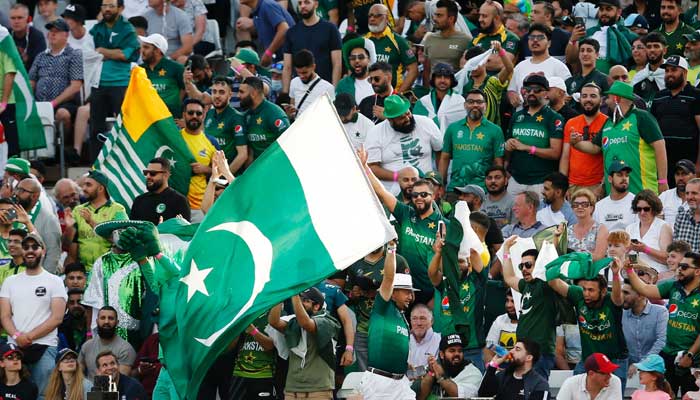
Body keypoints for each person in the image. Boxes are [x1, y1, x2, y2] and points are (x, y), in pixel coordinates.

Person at [363, 140, 445, 303]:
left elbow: (446, 263)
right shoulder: (405, 212)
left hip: (430, 290)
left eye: (423, 194)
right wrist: (365, 167)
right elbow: (381, 191)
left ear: (433, 196)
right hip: (402, 286)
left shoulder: (442, 224)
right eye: (415, 195)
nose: (418, 198)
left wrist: (437, 294)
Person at [571, 81, 668, 195]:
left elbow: (660, 146)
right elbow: (594, 147)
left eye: (609, 97)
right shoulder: (608, 123)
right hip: (614, 195)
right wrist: (577, 143)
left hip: (641, 191)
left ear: (616, 98)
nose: (606, 101)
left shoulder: (641, 117)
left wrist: (662, 181)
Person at [0, 233, 67, 399]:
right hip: (15, 349)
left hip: (44, 346)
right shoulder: (10, 281)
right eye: (26, 247)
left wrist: (28, 336)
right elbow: (4, 316)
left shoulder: (54, 281)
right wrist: (17, 336)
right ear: (22, 251)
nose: (30, 251)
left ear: (43, 251)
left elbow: (57, 318)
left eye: (34, 247)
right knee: (13, 394)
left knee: (44, 395)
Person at [627, 251, 700, 396]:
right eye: (679, 266)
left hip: (694, 361)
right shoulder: (674, 286)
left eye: (684, 267)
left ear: (697, 271)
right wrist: (629, 270)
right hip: (669, 355)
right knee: (663, 396)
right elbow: (645, 289)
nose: (679, 269)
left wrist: (690, 355)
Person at [549, 259, 630, 390]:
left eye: (591, 290)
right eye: (585, 289)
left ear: (603, 291)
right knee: (576, 394)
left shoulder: (610, 300)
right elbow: (553, 283)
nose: (586, 293)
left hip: (615, 360)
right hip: (589, 359)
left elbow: (618, 298)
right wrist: (560, 262)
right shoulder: (579, 295)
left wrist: (615, 274)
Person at [358, 239, 418, 399]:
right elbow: (389, 277)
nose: (410, 297)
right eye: (406, 292)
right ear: (393, 292)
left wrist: (404, 364)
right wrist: (391, 248)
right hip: (379, 384)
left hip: (401, 383)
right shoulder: (382, 307)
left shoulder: (403, 317)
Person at [345, 245, 411, 371]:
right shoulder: (355, 262)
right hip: (363, 327)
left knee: (389, 371)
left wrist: (378, 292)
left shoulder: (399, 261)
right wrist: (354, 294)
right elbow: (347, 296)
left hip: (389, 327)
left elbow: (408, 295)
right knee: (366, 375)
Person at [89, 0, 140, 160]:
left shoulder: (127, 29)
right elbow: (89, 52)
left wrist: (103, 51)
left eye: (111, 6)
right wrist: (114, 53)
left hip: (120, 83)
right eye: (104, 6)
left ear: (121, 8)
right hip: (98, 83)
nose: (107, 9)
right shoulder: (97, 28)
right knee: (96, 127)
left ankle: (126, 160)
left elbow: (125, 54)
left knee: (124, 126)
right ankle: (95, 162)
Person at [268, 287, 340, 399]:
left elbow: (306, 323)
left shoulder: (328, 322)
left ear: (317, 306)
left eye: (306, 301)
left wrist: (294, 293)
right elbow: (274, 322)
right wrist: (280, 296)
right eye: (300, 299)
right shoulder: (293, 323)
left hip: (318, 392)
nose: (301, 303)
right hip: (291, 391)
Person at [502, 236, 558, 378]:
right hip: (523, 352)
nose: (524, 269)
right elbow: (508, 277)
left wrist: (555, 241)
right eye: (521, 266)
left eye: (528, 265)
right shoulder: (526, 286)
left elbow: (552, 264)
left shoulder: (546, 285)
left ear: (538, 265)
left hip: (540, 354)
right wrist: (506, 250)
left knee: (536, 392)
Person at [365, 95, 442, 196]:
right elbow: (371, 168)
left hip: (425, 191)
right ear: (390, 120)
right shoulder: (375, 133)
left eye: (408, 113)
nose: (407, 118)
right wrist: (398, 176)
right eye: (401, 118)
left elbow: (440, 152)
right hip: (392, 195)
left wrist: (439, 182)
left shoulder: (426, 123)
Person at [504, 74, 564, 197]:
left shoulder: (554, 118)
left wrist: (527, 148)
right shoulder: (516, 116)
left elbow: (556, 153)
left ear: (546, 93)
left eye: (537, 90)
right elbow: (507, 150)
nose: (531, 92)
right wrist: (507, 147)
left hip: (541, 182)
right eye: (528, 89)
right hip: (516, 180)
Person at [438, 89, 503, 193]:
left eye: (479, 102)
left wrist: (497, 189)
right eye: (471, 102)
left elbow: (498, 162)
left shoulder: (495, 130)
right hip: (455, 188)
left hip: (482, 190)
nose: (475, 105)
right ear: (465, 105)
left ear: (485, 106)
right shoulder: (453, 128)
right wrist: (440, 185)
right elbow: (444, 158)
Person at [28, 18, 83, 136]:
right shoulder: (40, 56)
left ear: (66, 35)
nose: (52, 34)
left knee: (62, 114)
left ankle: (63, 148)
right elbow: (31, 81)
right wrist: (29, 102)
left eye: (57, 31)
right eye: (50, 31)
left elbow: (75, 86)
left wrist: (53, 103)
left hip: (64, 103)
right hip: (39, 102)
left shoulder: (74, 55)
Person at [652, 55, 700, 185]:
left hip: (689, 159)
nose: (669, 74)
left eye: (674, 70)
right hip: (664, 160)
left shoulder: (696, 95)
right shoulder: (658, 97)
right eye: (667, 71)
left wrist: (698, 164)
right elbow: (653, 130)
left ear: (684, 72)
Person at [67, 170, 128, 272]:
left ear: (100, 188)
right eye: (84, 185)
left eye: (88, 185)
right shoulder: (78, 210)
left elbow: (122, 241)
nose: (84, 188)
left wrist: (91, 222)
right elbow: (68, 243)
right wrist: (69, 228)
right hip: (84, 273)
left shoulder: (118, 210)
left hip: (109, 271)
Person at [507, 24, 572, 108]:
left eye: (540, 38)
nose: (535, 40)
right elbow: (511, 90)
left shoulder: (559, 66)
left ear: (549, 43)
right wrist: (511, 94)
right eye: (531, 37)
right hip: (522, 116)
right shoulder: (520, 66)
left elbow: (567, 96)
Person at [565, 0, 638, 74]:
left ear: (619, 12)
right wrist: (573, 39)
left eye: (608, 9)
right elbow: (570, 60)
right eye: (601, 9)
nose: (604, 13)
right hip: (588, 80)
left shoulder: (629, 35)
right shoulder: (588, 33)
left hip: (618, 79)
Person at [281, 0, 341, 88]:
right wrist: (285, 94)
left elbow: (337, 64)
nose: (303, 6)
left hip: (324, 89)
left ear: (316, 4)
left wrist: (334, 91)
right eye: (300, 3)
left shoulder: (330, 29)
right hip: (300, 90)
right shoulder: (291, 32)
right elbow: (287, 67)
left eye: (307, 2)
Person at [560, 84, 607, 195]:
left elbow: (608, 156)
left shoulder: (607, 123)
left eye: (593, 96)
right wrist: (563, 185)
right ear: (580, 99)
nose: (588, 99)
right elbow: (565, 156)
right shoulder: (571, 123)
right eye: (584, 96)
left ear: (601, 100)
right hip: (573, 185)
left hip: (597, 185)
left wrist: (603, 184)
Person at [365, 4, 418, 93]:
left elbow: (413, 69)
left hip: (391, 96)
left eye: (377, 15)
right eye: (370, 16)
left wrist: (399, 94)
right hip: (367, 94)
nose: (372, 19)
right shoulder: (363, 41)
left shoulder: (398, 41)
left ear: (387, 18)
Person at [459, 42, 514, 127]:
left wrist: (500, 50)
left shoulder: (493, 81)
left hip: (490, 132)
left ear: (485, 61)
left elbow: (509, 68)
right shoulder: (464, 83)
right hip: (468, 130)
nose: (473, 68)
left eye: (476, 64)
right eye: (470, 64)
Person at [202, 77, 248, 175]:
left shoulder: (236, 118)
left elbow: (243, 155)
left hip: (226, 179)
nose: (217, 96)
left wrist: (224, 177)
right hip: (210, 174)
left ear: (230, 95)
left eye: (222, 92)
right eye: (214, 92)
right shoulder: (209, 114)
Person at [179, 99, 215, 221]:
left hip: (199, 206)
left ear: (203, 115)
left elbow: (221, 172)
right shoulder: (175, 139)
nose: (194, 116)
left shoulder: (211, 142)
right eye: (191, 113)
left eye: (198, 113)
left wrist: (207, 169)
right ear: (184, 114)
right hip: (176, 202)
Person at [478, 339, 551, 399]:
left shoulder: (539, 383)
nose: (511, 351)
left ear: (529, 357)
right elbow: (483, 395)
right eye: (513, 348)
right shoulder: (503, 376)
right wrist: (492, 366)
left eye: (517, 349)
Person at [622, 281, 668, 375]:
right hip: (629, 370)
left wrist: (642, 364)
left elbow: (662, 341)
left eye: (626, 293)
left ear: (641, 295)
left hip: (654, 369)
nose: (621, 296)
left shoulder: (660, 312)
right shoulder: (621, 313)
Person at [78, 306, 137, 380]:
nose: (106, 322)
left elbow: (120, 381)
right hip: (88, 390)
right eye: (103, 318)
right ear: (97, 321)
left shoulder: (125, 349)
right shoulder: (87, 346)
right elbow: (78, 373)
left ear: (117, 323)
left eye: (110, 318)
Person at [417, 333, 483, 400]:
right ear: (442, 354)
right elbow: (420, 397)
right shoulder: (435, 366)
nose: (457, 354)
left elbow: (459, 395)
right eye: (452, 351)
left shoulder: (473, 372)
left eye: (460, 351)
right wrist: (431, 373)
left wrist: (441, 377)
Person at [240, 77, 289, 160]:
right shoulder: (247, 115)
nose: (238, 95)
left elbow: (288, 142)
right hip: (256, 168)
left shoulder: (274, 114)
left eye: (242, 92)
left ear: (253, 93)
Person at [130, 158, 191, 224]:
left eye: (152, 173)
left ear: (166, 175)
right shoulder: (139, 201)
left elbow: (184, 231)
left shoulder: (179, 200)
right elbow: (131, 228)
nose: (148, 176)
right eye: (146, 173)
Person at [626, 189, 673, 273]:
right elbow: (627, 256)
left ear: (654, 209)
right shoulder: (630, 228)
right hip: (634, 274)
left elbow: (668, 258)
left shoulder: (663, 227)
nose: (642, 212)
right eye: (639, 209)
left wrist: (645, 249)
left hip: (657, 274)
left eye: (646, 209)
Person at [139, 33, 185, 117]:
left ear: (157, 51)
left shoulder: (176, 68)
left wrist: (176, 104)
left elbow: (185, 89)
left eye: (146, 47)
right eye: (142, 47)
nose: (142, 50)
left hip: (171, 119)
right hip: (147, 119)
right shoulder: (139, 70)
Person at [236, 0, 295, 65]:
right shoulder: (258, 12)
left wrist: (268, 53)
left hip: (291, 61)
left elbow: (284, 30)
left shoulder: (267, 5)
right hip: (280, 62)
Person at [412, 63, 466, 133]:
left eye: (446, 77)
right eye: (439, 77)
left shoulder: (460, 102)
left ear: (451, 80)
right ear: (434, 79)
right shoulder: (422, 103)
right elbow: (417, 127)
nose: (442, 80)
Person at [421, 0, 470, 71]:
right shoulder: (429, 39)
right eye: (435, 15)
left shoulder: (466, 40)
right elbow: (427, 70)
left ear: (451, 19)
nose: (434, 18)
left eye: (439, 15)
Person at [285, 50, 335, 119]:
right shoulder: (294, 82)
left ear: (313, 67)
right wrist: (290, 113)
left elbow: (331, 116)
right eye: (298, 73)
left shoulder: (327, 88)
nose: (301, 76)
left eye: (304, 72)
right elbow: (292, 109)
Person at [469, 0, 519, 70]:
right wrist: (489, 59)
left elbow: (500, 63)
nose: (480, 19)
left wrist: (473, 61)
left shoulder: (510, 38)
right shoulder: (477, 38)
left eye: (484, 16)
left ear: (496, 18)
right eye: (480, 15)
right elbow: (463, 62)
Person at [565, 189, 609, 260]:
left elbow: (599, 256)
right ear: (572, 208)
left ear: (592, 208)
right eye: (576, 205)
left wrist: (576, 257)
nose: (579, 207)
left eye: (584, 204)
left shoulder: (600, 229)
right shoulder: (568, 230)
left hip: (594, 269)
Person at [557, 353, 624, 399]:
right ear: (591, 373)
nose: (610, 376)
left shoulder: (615, 381)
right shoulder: (570, 383)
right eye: (605, 373)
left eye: (610, 372)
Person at [632, 32, 668, 107]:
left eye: (656, 46)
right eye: (649, 47)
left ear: (664, 50)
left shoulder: (670, 74)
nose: (652, 50)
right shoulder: (638, 76)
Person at [336, 37, 375, 105]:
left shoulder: (378, 81)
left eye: (361, 57)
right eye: (353, 58)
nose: (357, 61)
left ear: (369, 59)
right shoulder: (343, 85)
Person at [8, 3, 46, 73]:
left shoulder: (37, 36)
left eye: (20, 18)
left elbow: (39, 66)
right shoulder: (5, 34)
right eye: (13, 18)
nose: (16, 21)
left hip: (29, 77)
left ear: (28, 19)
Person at [660, 160, 695, 232]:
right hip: (666, 241)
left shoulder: (698, 198)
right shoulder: (665, 196)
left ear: (694, 176)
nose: (680, 178)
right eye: (677, 174)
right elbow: (656, 223)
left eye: (684, 174)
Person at [484, 289, 518, 358]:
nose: (509, 305)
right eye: (507, 300)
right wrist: (492, 366)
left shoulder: (529, 322)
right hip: (499, 365)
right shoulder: (500, 320)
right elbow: (489, 347)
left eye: (513, 301)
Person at [408, 304, 441, 369]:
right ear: (410, 321)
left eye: (422, 318)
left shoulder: (440, 341)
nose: (418, 323)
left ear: (432, 321)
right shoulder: (405, 340)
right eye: (414, 319)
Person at [58, 288, 89, 353]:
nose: (76, 305)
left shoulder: (94, 324)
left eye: (79, 302)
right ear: (67, 305)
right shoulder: (61, 326)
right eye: (72, 303)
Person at [674, 178, 700, 251]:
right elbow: (675, 250)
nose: (689, 197)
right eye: (687, 193)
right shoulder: (680, 217)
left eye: (694, 193)